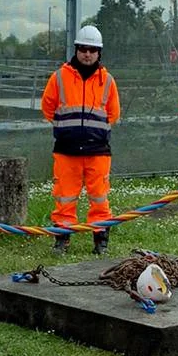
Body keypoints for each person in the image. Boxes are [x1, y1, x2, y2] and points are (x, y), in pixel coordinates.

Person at [40, 24, 121, 256]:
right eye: (83, 49)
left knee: (100, 198)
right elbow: (47, 107)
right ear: (76, 49)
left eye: (92, 50)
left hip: (98, 151)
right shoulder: (59, 77)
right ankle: (62, 240)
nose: (87, 53)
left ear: (99, 53)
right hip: (67, 150)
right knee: (65, 197)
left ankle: (101, 240)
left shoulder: (107, 81)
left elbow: (114, 113)